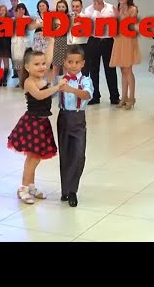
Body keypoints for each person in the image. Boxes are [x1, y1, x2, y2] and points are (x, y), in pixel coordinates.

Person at [7, 48, 66, 204]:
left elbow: (49, 56)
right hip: (32, 124)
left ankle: (31, 186)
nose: (41, 67)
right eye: (36, 64)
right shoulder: (29, 82)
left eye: (43, 64)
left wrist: (52, 39)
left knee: (36, 158)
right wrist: (57, 87)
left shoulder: (43, 78)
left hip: (42, 123)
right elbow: (40, 95)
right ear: (27, 67)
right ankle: (23, 188)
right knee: (32, 159)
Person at [57, 45, 93, 207]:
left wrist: (70, 89)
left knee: (79, 155)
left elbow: (86, 94)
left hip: (78, 118)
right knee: (65, 154)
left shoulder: (85, 80)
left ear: (82, 64)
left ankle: (73, 190)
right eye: (70, 62)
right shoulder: (60, 79)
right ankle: (66, 190)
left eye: (77, 62)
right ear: (64, 62)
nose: (73, 65)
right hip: (63, 117)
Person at [83, 0, 120, 105]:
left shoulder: (110, 8)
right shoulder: (88, 10)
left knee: (110, 69)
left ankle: (114, 97)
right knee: (94, 70)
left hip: (108, 41)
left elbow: (118, 22)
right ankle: (95, 96)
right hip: (94, 40)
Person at [109, 0, 141, 109]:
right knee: (122, 70)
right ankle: (124, 97)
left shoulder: (133, 9)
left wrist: (118, 15)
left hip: (128, 40)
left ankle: (132, 98)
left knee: (128, 69)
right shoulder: (117, 9)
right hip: (119, 39)